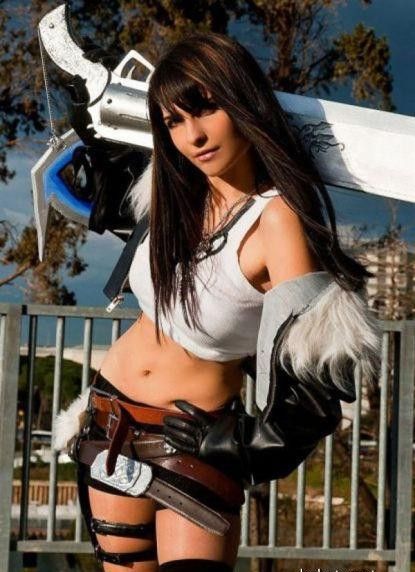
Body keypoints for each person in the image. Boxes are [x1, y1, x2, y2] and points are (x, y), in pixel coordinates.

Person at [53, 31, 381, 572]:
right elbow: (101, 204)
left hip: (193, 443)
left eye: (206, 108)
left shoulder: (277, 220)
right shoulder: (171, 192)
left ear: (243, 103)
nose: (194, 136)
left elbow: (318, 369)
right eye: (174, 121)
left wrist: (248, 443)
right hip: (110, 421)